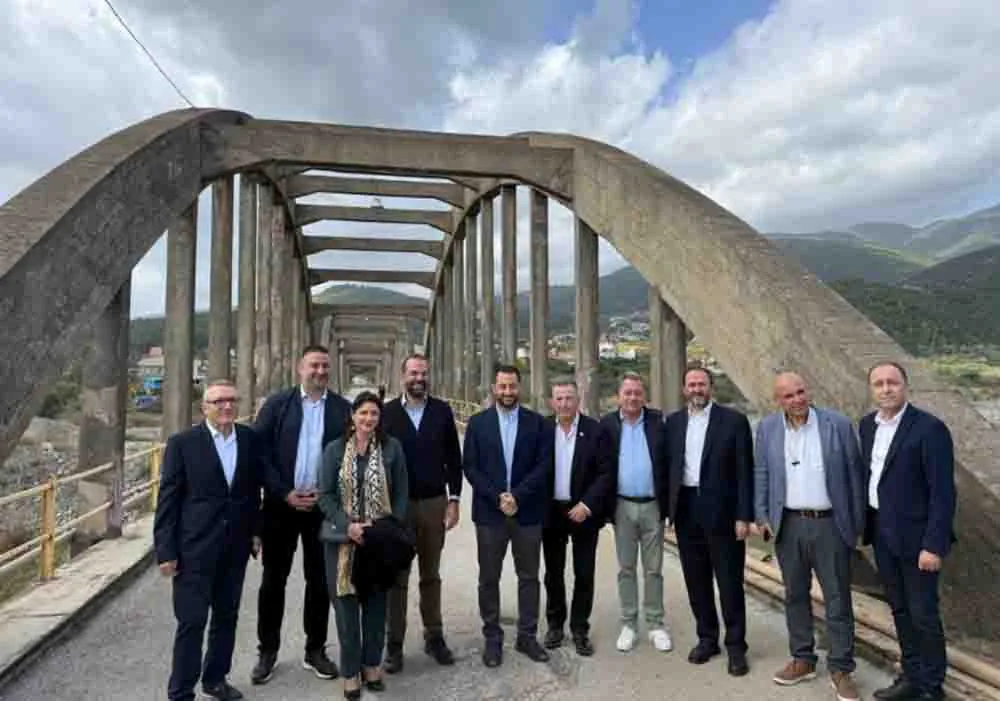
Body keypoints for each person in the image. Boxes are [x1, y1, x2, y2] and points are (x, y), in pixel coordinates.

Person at [154, 380, 270, 701]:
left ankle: (215, 679)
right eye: (218, 401)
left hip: (235, 546)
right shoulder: (183, 444)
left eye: (232, 400)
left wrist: (256, 531)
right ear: (204, 407)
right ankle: (181, 692)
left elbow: (254, 491)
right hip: (194, 548)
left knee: (226, 617)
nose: (226, 406)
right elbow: (168, 500)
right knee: (191, 622)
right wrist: (166, 550)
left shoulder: (249, 439)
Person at [753, 372, 865, 700]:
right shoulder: (768, 428)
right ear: (778, 400)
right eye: (788, 396)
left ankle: (841, 668)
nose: (797, 399)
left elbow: (855, 475)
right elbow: (762, 472)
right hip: (788, 524)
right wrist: (762, 515)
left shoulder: (838, 425)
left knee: (837, 598)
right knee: (795, 594)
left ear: (809, 391)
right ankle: (803, 658)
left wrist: (856, 524)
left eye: (801, 392)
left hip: (830, 524)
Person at [251, 345, 351, 684]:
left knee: (319, 581)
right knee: (273, 581)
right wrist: (284, 493)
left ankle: (315, 649)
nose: (320, 372)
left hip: (322, 508)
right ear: (300, 368)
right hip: (281, 506)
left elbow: (349, 457)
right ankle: (267, 651)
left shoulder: (341, 409)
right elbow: (259, 454)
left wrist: (329, 495)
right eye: (314, 366)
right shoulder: (277, 405)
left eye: (325, 366)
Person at [861, 362, 955, 701]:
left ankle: (931, 687)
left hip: (918, 541)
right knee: (899, 610)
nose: (886, 389)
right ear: (871, 389)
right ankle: (911, 677)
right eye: (879, 383)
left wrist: (934, 545)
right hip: (882, 534)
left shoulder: (930, 429)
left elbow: (943, 493)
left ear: (905, 386)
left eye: (893, 382)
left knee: (923, 614)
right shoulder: (867, 426)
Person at [319, 391, 410, 700]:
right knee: (346, 608)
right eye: (363, 413)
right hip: (341, 540)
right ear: (352, 416)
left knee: (375, 604)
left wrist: (387, 527)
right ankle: (350, 671)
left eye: (374, 413)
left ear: (380, 418)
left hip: (378, 539)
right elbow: (325, 495)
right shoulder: (334, 450)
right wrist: (348, 526)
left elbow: (401, 493)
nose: (368, 419)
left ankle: (371, 665)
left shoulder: (391, 448)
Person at [665, 366, 753, 677]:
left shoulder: (734, 421)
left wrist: (744, 515)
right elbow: (668, 467)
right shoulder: (674, 422)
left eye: (701, 384)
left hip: (723, 512)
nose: (696, 389)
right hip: (686, 509)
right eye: (691, 384)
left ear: (710, 387)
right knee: (696, 579)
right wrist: (668, 510)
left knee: (729, 581)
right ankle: (707, 639)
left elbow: (745, 471)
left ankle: (736, 646)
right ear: (684, 389)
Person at [463, 364, 553, 667]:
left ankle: (527, 636)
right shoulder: (478, 423)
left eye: (512, 386)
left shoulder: (537, 423)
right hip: (490, 513)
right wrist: (498, 497)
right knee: (489, 578)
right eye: (502, 386)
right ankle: (492, 638)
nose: (507, 392)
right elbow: (470, 466)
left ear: (520, 387)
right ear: (494, 388)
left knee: (529, 577)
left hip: (527, 512)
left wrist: (518, 496)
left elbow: (544, 465)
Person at [381, 353, 463, 672]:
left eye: (424, 373)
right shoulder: (387, 413)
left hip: (433, 503)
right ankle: (394, 644)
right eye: (414, 373)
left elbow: (453, 459)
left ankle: (434, 636)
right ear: (402, 376)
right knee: (397, 578)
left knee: (431, 575)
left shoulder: (441, 411)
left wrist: (454, 500)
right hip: (398, 508)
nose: (419, 378)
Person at [599, 372, 672, 654]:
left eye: (637, 393)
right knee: (626, 568)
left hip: (653, 505)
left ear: (645, 396)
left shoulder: (658, 423)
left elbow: (669, 462)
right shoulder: (607, 425)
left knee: (654, 569)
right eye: (627, 392)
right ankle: (629, 623)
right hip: (622, 506)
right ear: (619, 396)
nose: (632, 397)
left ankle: (655, 624)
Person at [542, 378, 614, 656]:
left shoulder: (595, 431)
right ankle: (555, 625)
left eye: (569, 398)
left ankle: (580, 628)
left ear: (578, 400)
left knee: (584, 573)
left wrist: (588, 504)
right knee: (553, 572)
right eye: (559, 398)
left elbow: (606, 472)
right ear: (552, 402)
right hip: (552, 511)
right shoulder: (542, 429)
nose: (564, 404)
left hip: (584, 511)